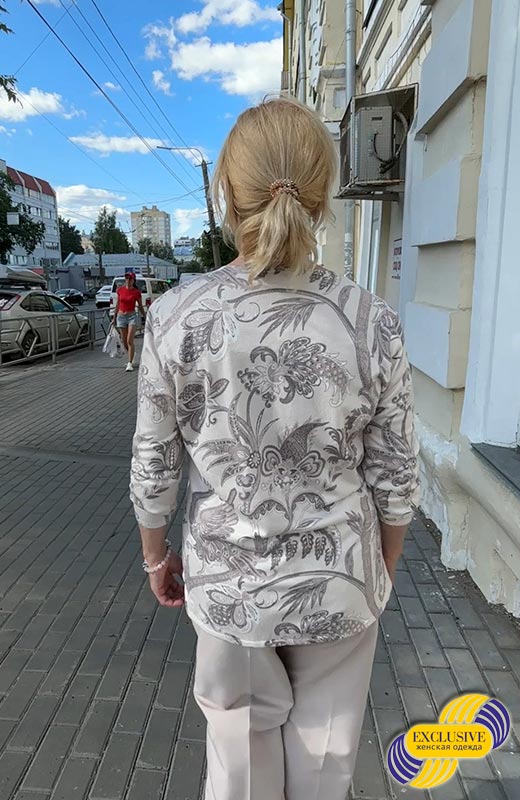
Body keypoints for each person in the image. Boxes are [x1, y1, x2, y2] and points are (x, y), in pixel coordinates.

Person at [130, 98, 420, 800]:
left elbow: (154, 464)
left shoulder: (175, 317)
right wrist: (378, 569)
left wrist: (156, 558)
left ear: (228, 196)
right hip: (340, 578)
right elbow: (396, 474)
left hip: (228, 584)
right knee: (324, 764)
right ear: (322, 195)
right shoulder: (369, 320)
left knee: (238, 762)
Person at [112, 272, 145, 372]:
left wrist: (145, 317)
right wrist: (114, 317)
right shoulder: (120, 290)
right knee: (124, 341)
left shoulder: (136, 292)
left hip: (132, 316)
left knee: (130, 340)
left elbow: (140, 306)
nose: (128, 280)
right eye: (126, 278)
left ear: (133, 280)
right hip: (121, 316)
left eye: (130, 279)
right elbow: (118, 304)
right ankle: (132, 354)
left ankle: (130, 363)